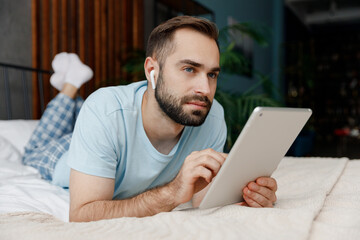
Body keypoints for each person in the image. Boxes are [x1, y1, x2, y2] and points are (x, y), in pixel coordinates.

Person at [23, 16, 277, 222]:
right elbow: (81, 215)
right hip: (61, 155)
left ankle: (74, 100)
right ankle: (70, 88)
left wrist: (247, 195)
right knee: (31, 151)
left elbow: (205, 201)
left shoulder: (211, 115)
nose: (205, 89)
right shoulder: (104, 110)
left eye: (212, 74)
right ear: (151, 70)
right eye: (189, 69)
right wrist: (171, 192)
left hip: (105, 128)